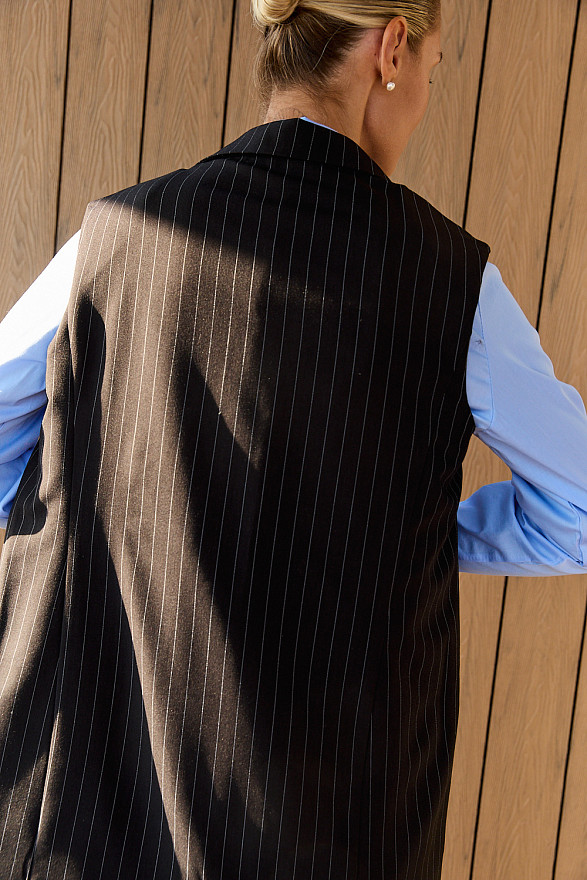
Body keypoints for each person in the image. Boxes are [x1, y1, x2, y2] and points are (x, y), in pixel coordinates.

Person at [0, 1, 585, 878]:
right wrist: (427, 536)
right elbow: (576, 505)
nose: (424, 90)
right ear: (391, 47)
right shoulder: (454, 288)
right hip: (330, 840)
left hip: (89, 827)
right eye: (433, 63)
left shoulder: (114, 242)